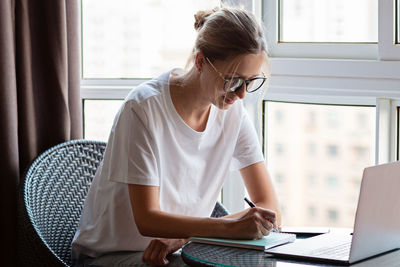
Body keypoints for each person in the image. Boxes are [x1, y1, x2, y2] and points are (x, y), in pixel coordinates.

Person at [72, 6, 282, 266]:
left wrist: (183, 238)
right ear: (201, 61)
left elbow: (270, 209)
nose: (241, 94)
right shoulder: (143, 108)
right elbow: (147, 220)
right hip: (111, 256)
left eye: (251, 82)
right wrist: (225, 229)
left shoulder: (233, 114)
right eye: (233, 80)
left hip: (178, 252)